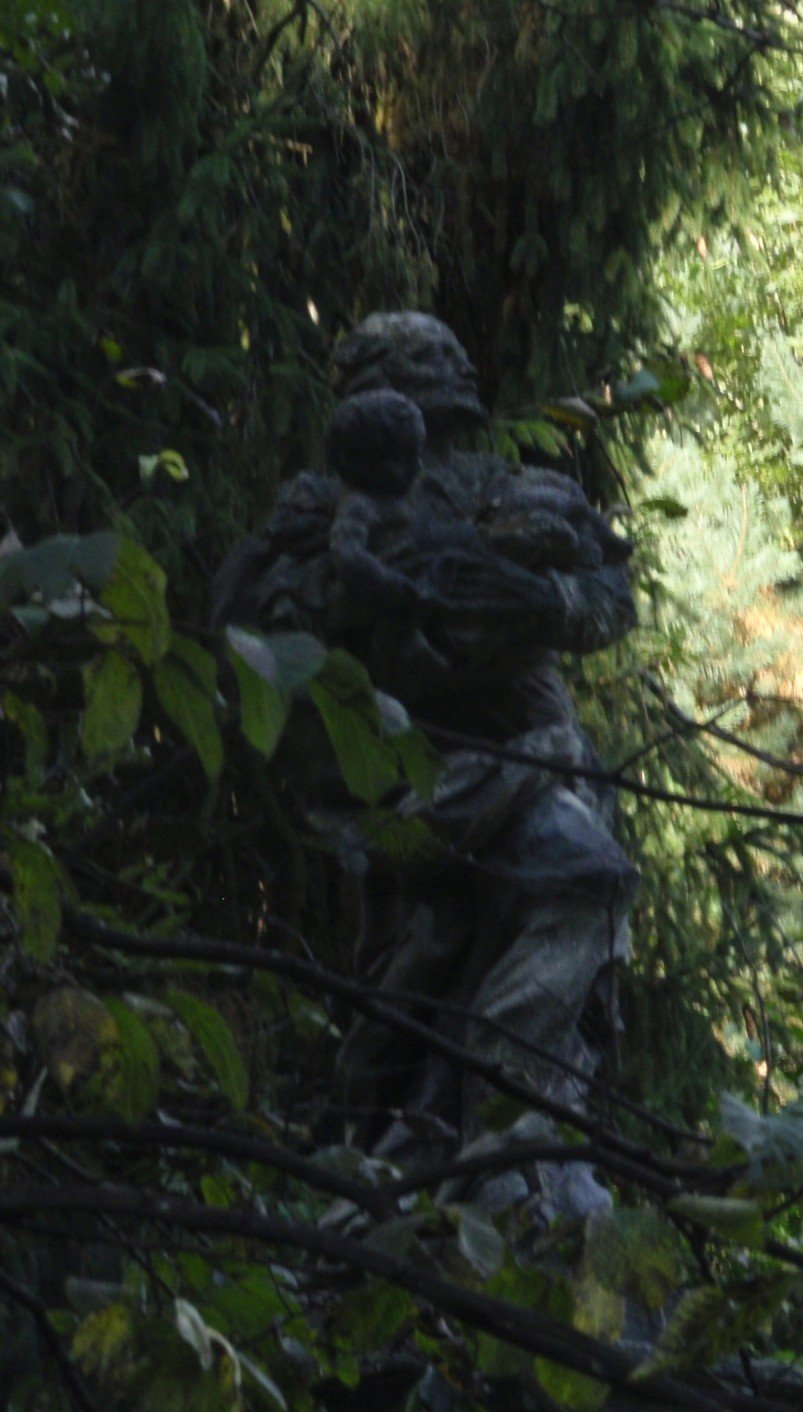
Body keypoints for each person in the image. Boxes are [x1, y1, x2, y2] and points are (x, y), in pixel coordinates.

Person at [216, 311, 638, 1221]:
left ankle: (509, 1137)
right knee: (426, 965)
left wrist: (536, 596)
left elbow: (609, 597)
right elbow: (262, 623)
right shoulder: (330, 506)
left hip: (528, 756)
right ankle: (458, 1157)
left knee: (576, 888)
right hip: (405, 774)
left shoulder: (515, 487)